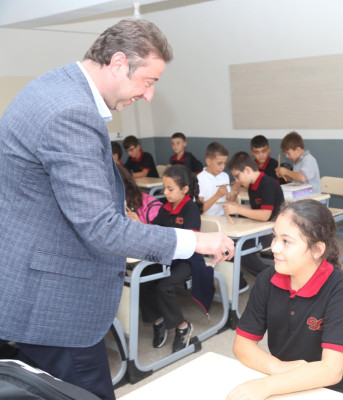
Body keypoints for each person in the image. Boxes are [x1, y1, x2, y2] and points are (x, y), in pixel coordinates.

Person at [0, 19, 233, 400]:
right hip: (55, 305)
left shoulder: (53, 87)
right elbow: (102, 228)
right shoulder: (71, 112)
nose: (149, 95)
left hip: (31, 287)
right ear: (119, 62)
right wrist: (197, 241)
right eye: (149, 81)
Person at [228, 200, 343, 399]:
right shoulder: (267, 279)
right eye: (275, 237)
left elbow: (331, 370)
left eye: (286, 241)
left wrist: (266, 385)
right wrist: (278, 367)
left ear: (317, 250)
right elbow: (242, 345)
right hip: (283, 384)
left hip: (331, 391)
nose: (274, 248)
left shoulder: (341, 291)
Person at [142, 165, 201, 353]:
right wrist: (139, 224)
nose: (165, 193)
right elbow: (155, 230)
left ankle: (183, 327)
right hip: (168, 257)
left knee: (164, 286)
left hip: (187, 260)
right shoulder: (165, 208)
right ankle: (158, 319)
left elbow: (189, 241)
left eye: (170, 189)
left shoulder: (190, 209)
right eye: (164, 188)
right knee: (144, 280)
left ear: (184, 189)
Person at [225, 151, 285, 276]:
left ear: (247, 170)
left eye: (237, 176)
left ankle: (269, 277)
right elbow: (254, 209)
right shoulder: (252, 185)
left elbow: (264, 215)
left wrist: (237, 210)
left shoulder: (267, 184)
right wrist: (235, 199)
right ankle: (239, 282)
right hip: (259, 228)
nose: (237, 180)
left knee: (240, 248)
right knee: (227, 244)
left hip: (273, 232)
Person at [198, 141, 235, 216]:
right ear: (208, 161)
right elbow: (199, 210)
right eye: (219, 163)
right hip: (206, 219)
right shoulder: (200, 179)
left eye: (225, 163)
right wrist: (217, 195)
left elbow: (228, 200)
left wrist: (235, 194)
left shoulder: (225, 176)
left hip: (222, 218)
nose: (223, 167)